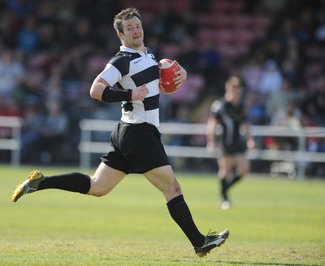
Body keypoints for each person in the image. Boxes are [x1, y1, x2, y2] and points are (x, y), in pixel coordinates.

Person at [12, 7, 229, 257]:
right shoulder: (121, 60)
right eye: (129, 28)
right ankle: (199, 242)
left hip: (129, 132)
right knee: (173, 189)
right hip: (140, 133)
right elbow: (95, 89)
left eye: (138, 26)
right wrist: (128, 94)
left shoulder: (147, 55)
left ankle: (40, 183)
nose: (136, 31)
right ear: (120, 35)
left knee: (97, 187)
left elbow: (162, 79)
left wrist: (183, 74)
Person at [206, 76, 255, 210]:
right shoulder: (220, 106)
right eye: (234, 90)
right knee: (225, 171)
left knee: (244, 170)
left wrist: (250, 139)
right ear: (228, 89)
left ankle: (223, 189)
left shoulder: (241, 106)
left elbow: (245, 124)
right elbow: (212, 124)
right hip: (225, 143)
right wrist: (211, 141)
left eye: (238, 90)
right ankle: (225, 198)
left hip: (238, 143)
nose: (236, 93)